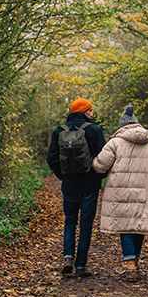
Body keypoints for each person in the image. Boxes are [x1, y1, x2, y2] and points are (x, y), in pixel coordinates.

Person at [92, 105, 148, 282]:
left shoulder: (115, 143)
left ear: (122, 126)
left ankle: (130, 264)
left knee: (125, 227)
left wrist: (93, 160)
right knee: (139, 225)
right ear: (137, 125)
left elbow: (100, 166)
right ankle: (136, 260)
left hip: (121, 193)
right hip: (145, 194)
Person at [47, 98, 106, 277]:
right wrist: (98, 176)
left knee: (70, 221)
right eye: (90, 110)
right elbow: (104, 158)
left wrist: (63, 176)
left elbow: (51, 158)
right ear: (84, 111)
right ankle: (81, 266)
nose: (91, 114)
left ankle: (67, 258)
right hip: (90, 185)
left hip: (69, 185)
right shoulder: (94, 131)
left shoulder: (59, 132)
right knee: (86, 225)